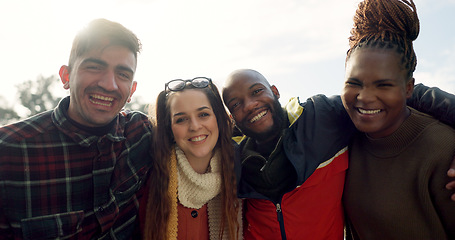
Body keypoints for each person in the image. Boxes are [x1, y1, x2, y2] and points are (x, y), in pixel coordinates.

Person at [222, 68, 455, 240]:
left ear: (275, 91)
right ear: (232, 117)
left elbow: (396, 94)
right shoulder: (231, 160)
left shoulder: (321, 118)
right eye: (236, 103)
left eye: (257, 91)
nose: (251, 104)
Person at [0, 19, 153, 239]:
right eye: (94, 67)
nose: (109, 84)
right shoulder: (8, 151)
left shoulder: (142, 134)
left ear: (132, 90)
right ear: (66, 76)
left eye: (122, 74)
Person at [341, 0, 455, 239]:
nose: (365, 97)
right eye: (354, 83)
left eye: (383, 85)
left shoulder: (443, 150)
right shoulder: (342, 138)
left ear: (408, 88)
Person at [139, 77, 242, 239]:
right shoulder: (148, 182)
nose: (194, 126)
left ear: (219, 119)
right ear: (169, 128)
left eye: (203, 114)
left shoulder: (244, 174)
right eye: (181, 119)